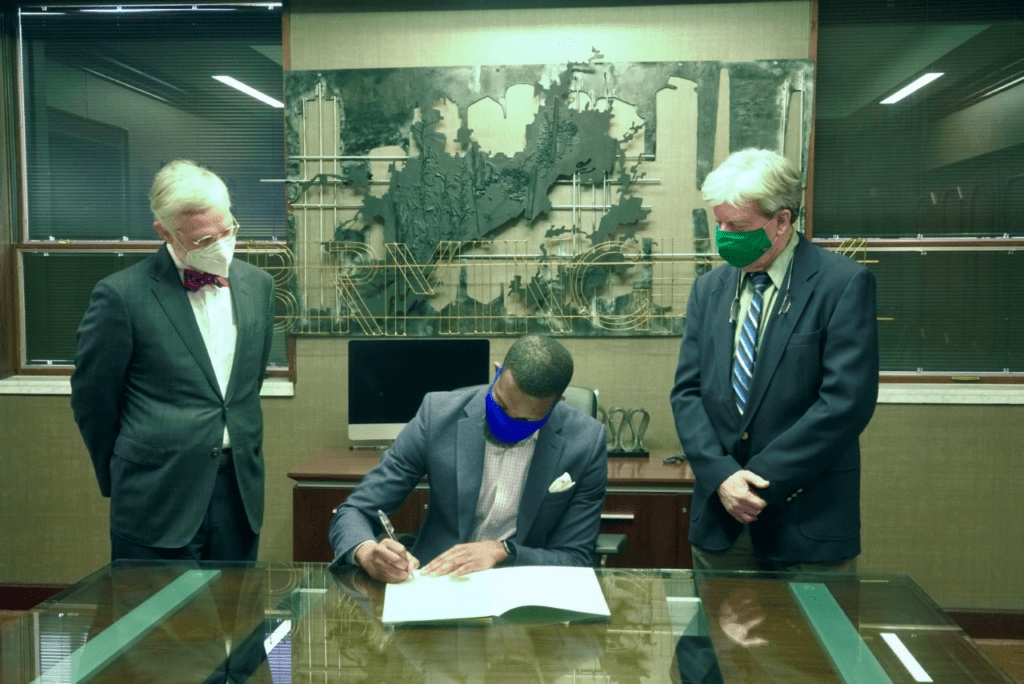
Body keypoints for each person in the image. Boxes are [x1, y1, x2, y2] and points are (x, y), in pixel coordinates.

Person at [669, 148, 879, 572]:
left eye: (738, 225)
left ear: (781, 221)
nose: (725, 234)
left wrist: (759, 481)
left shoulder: (842, 284)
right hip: (720, 522)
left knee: (810, 640)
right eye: (719, 223)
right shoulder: (708, 290)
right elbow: (688, 393)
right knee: (716, 639)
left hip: (805, 524)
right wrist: (723, 477)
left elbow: (844, 404)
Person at [71, 159, 276, 562]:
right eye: (203, 240)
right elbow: (94, 401)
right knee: (155, 622)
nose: (221, 245)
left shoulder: (258, 285)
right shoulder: (121, 296)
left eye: (227, 230)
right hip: (155, 495)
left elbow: (246, 387)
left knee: (238, 620)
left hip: (238, 491)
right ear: (165, 232)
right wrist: (124, 472)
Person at [329, 334, 608, 583]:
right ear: (496, 372)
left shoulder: (585, 442)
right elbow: (354, 511)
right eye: (500, 405)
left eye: (525, 419)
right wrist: (366, 553)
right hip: (435, 581)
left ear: (557, 403)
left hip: (521, 588)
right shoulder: (438, 415)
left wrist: (502, 551)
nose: (507, 422)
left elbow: (575, 559)